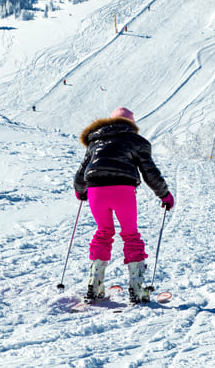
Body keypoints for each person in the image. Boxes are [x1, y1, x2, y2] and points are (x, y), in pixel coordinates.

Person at [73, 107, 175, 304]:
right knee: (130, 235)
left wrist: (80, 191)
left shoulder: (95, 141)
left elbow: (81, 172)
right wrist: (165, 195)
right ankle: (137, 290)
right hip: (122, 191)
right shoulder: (136, 141)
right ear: (131, 124)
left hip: (95, 191)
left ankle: (95, 286)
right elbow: (150, 172)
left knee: (103, 232)